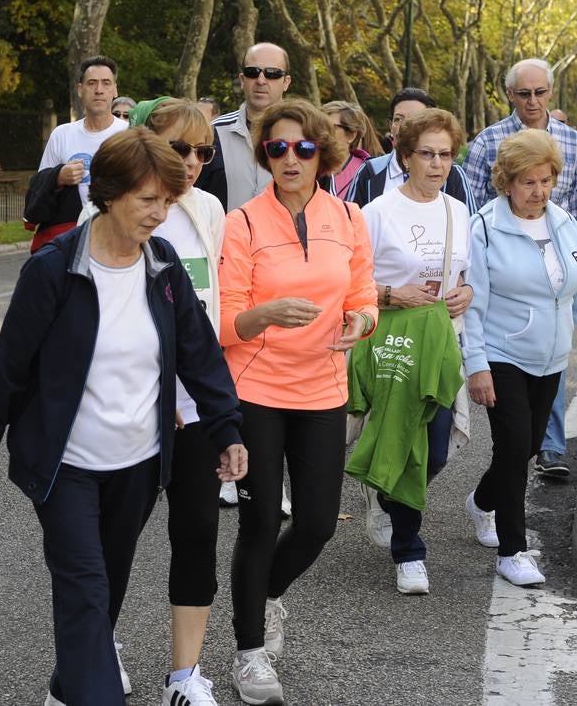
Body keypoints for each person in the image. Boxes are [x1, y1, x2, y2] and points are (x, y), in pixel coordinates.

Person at [0, 128, 248, 706]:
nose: (160, 214)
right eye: (149, 201)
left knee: (104, 590)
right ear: (109, 194)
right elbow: (9, 371)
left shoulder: (162, 265)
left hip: (138, 465)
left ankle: (68, 689)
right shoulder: (52, 271)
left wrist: (226, 428)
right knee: (86, 592)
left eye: (167, 201)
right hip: (66, 467)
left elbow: (199, 354)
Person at [219, 99, 378, 704]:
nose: (291, 158)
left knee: (314, 526)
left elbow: (364, 296)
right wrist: (265, 315)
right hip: (256, 389)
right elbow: (226, 321)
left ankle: (264, 596)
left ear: (323, 155)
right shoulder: (243, 223)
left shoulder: (349, 219)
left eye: (304, 148)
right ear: (265, 154)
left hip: (323, 388)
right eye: (278, 148)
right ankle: (250, 652)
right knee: (260, 521)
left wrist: (360, 322)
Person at [82, 99, 228, 706]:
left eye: (202, 153)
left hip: (194, 411)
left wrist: (221, 410)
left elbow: (210, 310)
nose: (191, 163)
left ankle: (184, 676)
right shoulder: (120, 214)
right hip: (137, 410)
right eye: (178, 149)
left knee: (197, 533)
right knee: (114, 540)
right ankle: (100, 647)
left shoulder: (210, 210)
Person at [462, 129, 577, 588]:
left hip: (552, 358)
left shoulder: (563, 223)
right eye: (528, 182)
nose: (538, 191)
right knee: (515, 448)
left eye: (546, 180)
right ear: (507, 181)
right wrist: (475, 364)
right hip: (501, 354)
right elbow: (471, 305)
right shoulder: (484, 228)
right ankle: (513, 551)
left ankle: (481, 500)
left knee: (531, 446)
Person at [348, 108, 472, 595]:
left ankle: (381, 485)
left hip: (440, 337)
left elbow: (464, 276)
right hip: (392, 337)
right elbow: (351, 279)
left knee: (436, 447)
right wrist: (389, 294)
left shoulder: (457, 211)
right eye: (427, 154)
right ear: (405, 157)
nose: (437, 164)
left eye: (445, 155)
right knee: (409, 439)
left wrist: (466, 293)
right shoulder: (376, 213)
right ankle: (409, 551)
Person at [460, 58, 577, 480]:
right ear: (510, 96)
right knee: (515, 426)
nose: (532, 101)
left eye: (540, 92)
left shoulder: (573, 144)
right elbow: (474, 213)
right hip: (505, 277)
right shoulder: (488, 142)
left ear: (551, 93)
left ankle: (549, 446)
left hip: (556, 277)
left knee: (551, 362)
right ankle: (532, 453)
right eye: (523, 93)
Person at [25, 55, 128, 252]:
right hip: (70, 238)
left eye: (106, 83)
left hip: (118, 236)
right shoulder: (61, 134)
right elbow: (39, 187)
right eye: (92, 83)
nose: (99, 90)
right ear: (80, 90)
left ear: (115, 90)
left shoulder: (130, 133)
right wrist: (58, 176)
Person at [195, 41, 292, 211]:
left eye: (272, 74)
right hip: (224, 237)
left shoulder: (307, 136)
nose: (261, 80)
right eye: (252, 72)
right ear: (242, 79)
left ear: (286, 82)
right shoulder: (212, 133)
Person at [347, 89, 473, 211]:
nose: (404, 126)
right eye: (398, 119)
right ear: (390, 126)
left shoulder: (452, 174)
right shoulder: (370, 172)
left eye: (416, 119)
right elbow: (351, 223)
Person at [322, 101, 380, 200]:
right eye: (321, 126)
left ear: (352, 135)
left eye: (332, 127)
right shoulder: (310, 166)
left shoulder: (369, 172)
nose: (323, 132)